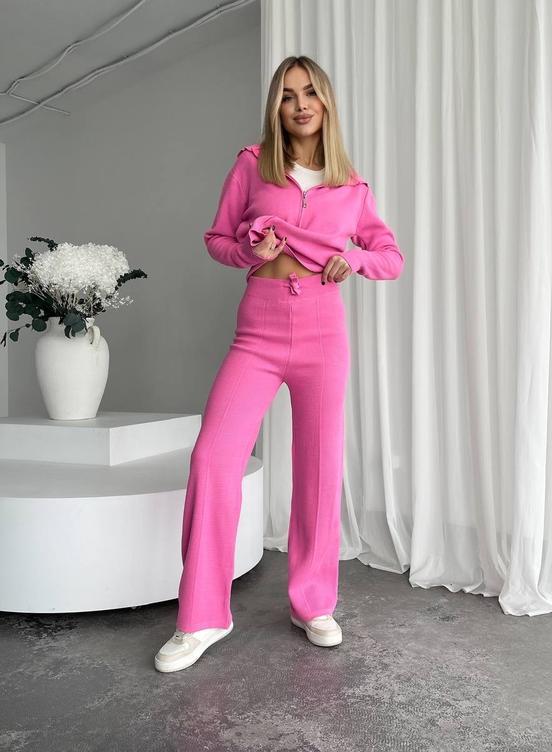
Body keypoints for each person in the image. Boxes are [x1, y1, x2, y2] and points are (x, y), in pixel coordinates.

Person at [154, 55, 405, 673]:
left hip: (322, 329)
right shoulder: (252, 164)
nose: (300, 105)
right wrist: (250, 251)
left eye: (310, 93)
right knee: (213, 458)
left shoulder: (352, 186)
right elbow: (217, 239)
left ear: (326, 102)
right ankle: (202, 617)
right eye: (288, 95)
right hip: (259, 328)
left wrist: (356, 259)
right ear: (277, 106)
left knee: (318, 469)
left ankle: (313, 603)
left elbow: (390, 255)